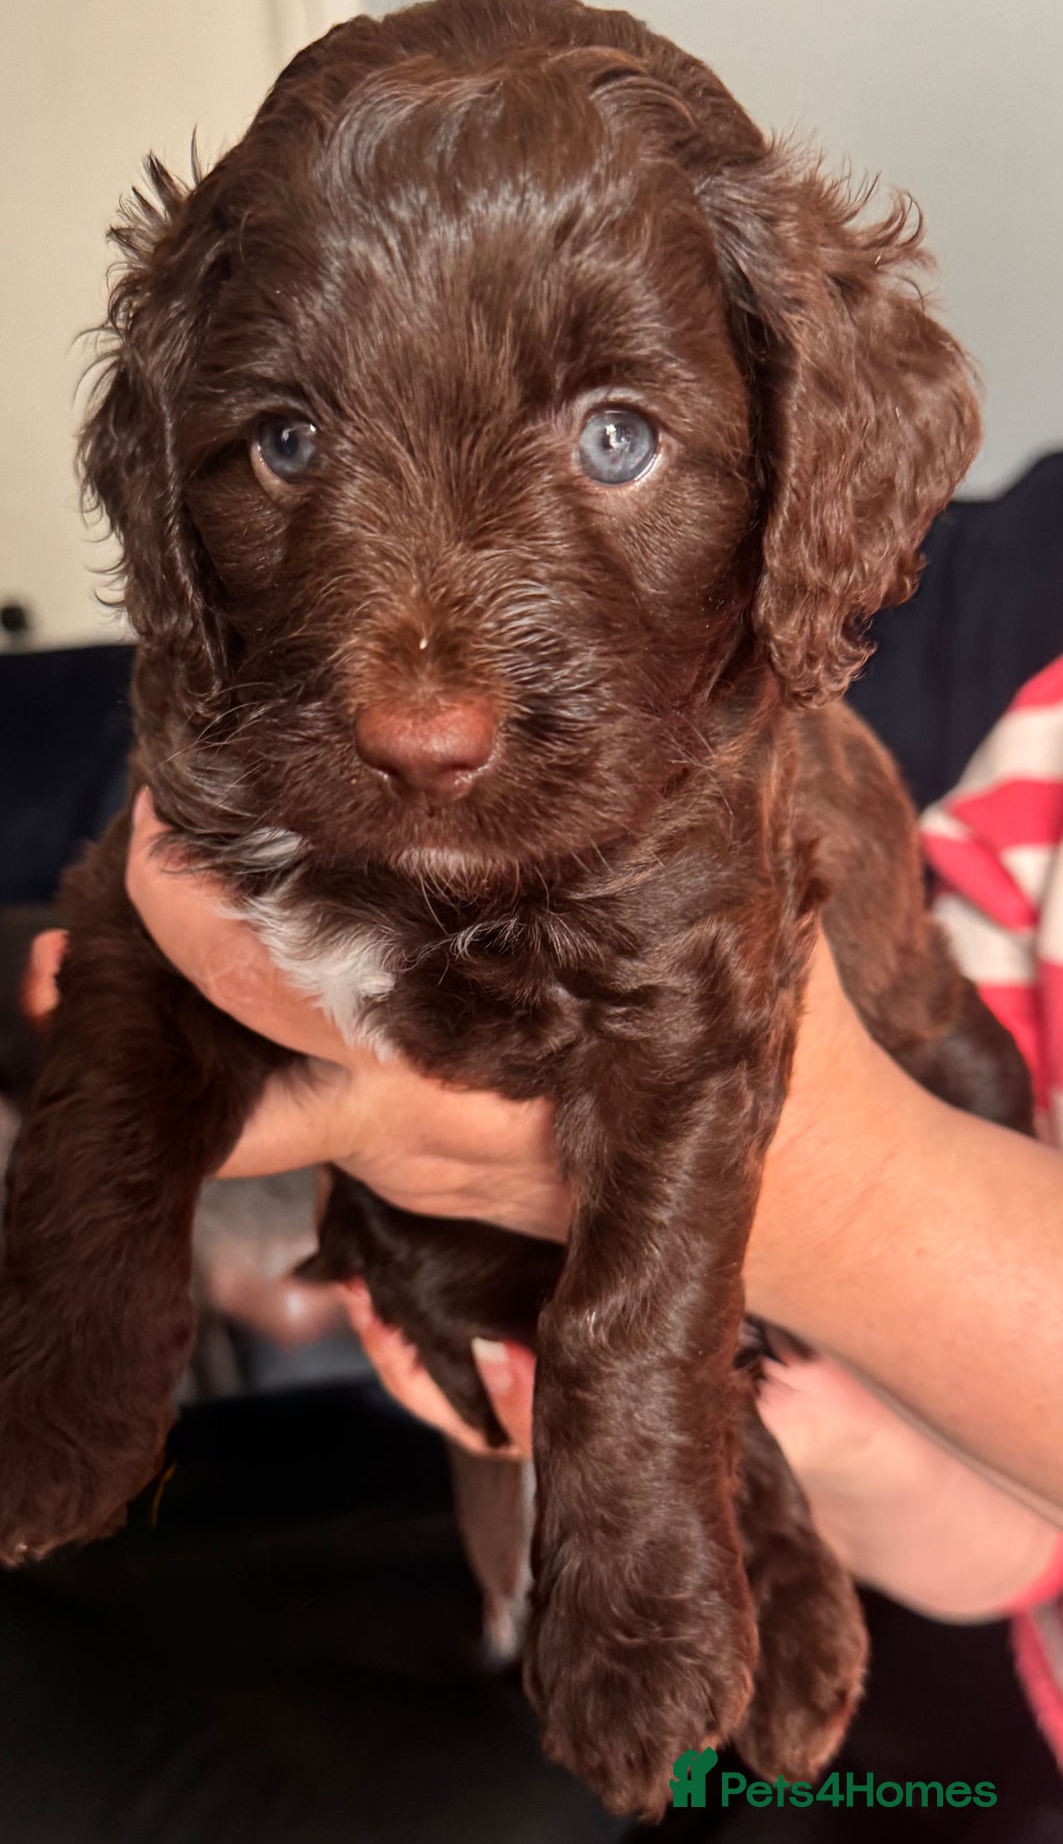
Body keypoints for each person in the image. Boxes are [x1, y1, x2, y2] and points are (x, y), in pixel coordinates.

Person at [21, 665, 1063, 1789]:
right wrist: (804, 1446)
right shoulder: (1031, 771)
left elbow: (869, 1064)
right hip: (841, 1468)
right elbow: (1012, 1542)